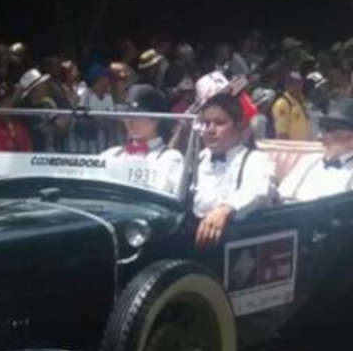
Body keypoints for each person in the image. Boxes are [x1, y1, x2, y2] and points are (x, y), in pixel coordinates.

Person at [192, 93, 275, 248]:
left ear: (239, 126)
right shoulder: (199, 158)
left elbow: (258, 191)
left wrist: (226, 209)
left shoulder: (255, 159)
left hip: (235, 241)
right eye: (206, 122)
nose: (210, 129)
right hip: (194, 236)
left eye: (219, 123)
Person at [278, 98, 353, 203]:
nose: (319, 136)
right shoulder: (307, 162)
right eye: (322, 129)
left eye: (329, 130)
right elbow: (281, 197)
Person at [102, 85, 183, 193]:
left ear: (155, 120)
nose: (130, 121)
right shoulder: (110, 155)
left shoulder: (170, 159)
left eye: (137, 116)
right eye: (126, 115)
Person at [271, 72, 312, 141]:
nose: (296, 87)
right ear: (286, 86)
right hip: (292, 149)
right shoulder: (283, 103)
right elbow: (282, 133)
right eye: (292, 84)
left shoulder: (302, 102)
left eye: (299, 83)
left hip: (304, 147)